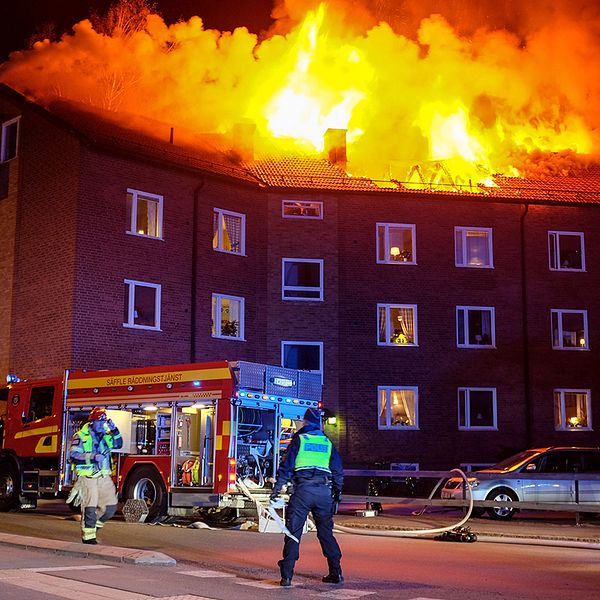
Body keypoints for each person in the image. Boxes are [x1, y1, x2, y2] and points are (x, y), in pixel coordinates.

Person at [270, 407, 344, 587]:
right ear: (319, 424)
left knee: (294, 533)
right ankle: (336, 572)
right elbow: (338, 471)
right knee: (326, 533)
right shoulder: (327, 442)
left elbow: (287, 467)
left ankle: (287, 576)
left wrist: (277, 489)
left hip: (303, 491)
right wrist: (337, 495)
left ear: (305, 422)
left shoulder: (299, 439)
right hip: (324, 493)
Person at [69, 407, 123, 544]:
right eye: (99, 422)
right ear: (92, 422)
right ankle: (88, 537)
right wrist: (93, 457)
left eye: (103, 422)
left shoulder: (106, 435)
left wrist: (114, 429)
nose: (101, 424)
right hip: (88, 477)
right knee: (90, 508)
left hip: (104, 477)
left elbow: (118, 444)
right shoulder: (81, 436)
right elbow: (73, 456)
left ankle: (92, 526)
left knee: (110, 508)